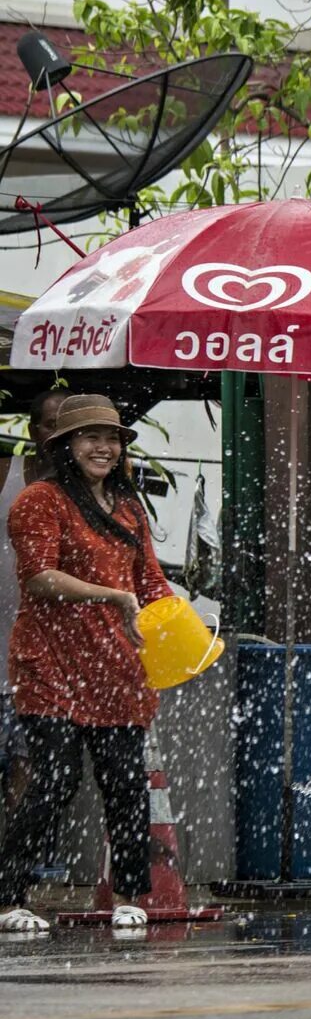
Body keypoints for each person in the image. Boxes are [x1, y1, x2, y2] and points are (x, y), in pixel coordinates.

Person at [0, 395, 173, 933]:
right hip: (50, 665)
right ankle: (9, 898)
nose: (103, 447)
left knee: (124, 783)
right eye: (91, 437)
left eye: (112, 438)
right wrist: (115, 598)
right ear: (66, 446)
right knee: (54, 781)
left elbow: (150, 583)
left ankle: (127, 895)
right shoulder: (39, 500)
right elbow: (38, 578)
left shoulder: (127, 508)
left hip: (118, 670)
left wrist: (178, 622)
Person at [1, 389, 70, 840]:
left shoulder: (94, 491)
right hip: (6, 637)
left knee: (33, 767)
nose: (63, 434)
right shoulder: (8, 475)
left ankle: (12, 867)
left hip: (47, 658)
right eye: (52, 424)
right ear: (34, 431)